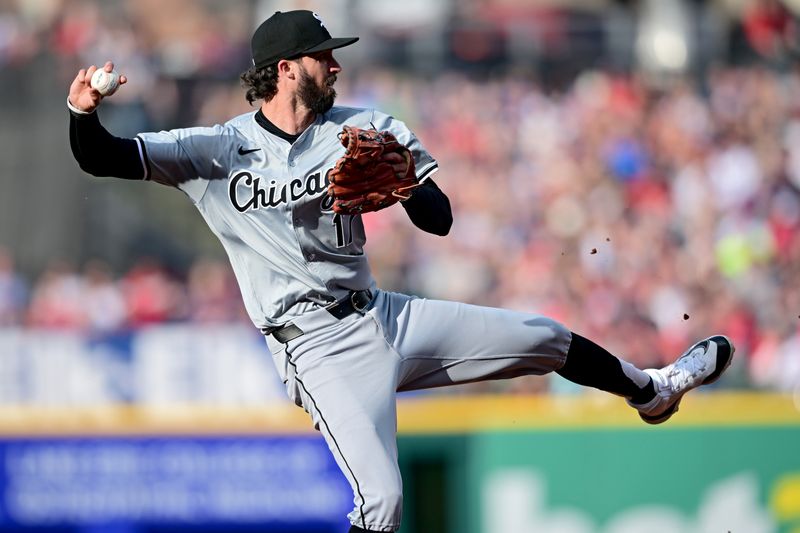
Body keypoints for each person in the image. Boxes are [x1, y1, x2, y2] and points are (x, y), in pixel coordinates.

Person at [67, 10, 734, 533]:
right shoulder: (214, 149)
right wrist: (82, 113)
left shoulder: (369, 127)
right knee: (381, 499)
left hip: (384, 313)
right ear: (285, 68)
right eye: (323, 56)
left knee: (546, 337)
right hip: (315, 346)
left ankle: (653, 391)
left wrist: (406, 181)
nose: (334, 65)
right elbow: (102, 157)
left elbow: (439, 220)